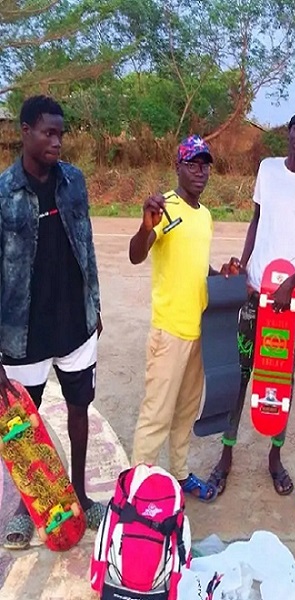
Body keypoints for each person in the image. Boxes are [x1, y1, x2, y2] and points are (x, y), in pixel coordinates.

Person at [207, 107, 295, 497]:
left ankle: (275, 457)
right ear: (288, 133)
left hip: (291, 300)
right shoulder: (267, 169)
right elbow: (257, 221)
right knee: (241, 372)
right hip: (256, 289)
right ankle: (225, 455)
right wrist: (244, 267)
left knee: (279, 376)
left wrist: (289, 285)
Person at [0, 95, 104, 549]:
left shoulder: (73, 182)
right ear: (25, 132)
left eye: (61, 133)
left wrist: (94, 304)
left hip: (74, 325)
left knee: (79, 408)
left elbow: (87, 244)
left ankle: (79, 494)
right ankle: (30, 508)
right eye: (48, 133)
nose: (57, 142)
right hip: (24, 333)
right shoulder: (4, 194)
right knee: (24, 424)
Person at [129, 134, 221, 501]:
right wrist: (145, 225)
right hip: (169, 332)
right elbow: (137, 254)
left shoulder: (206, 215)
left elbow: (198, 267)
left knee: (185, 412)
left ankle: (180, 475)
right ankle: (138, 490)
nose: (200, 171)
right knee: (157, 415)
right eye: (192, 164)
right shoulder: (163, 208)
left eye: (205, 164)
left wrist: (222, 276)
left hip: (199, 331)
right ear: (178, 167)